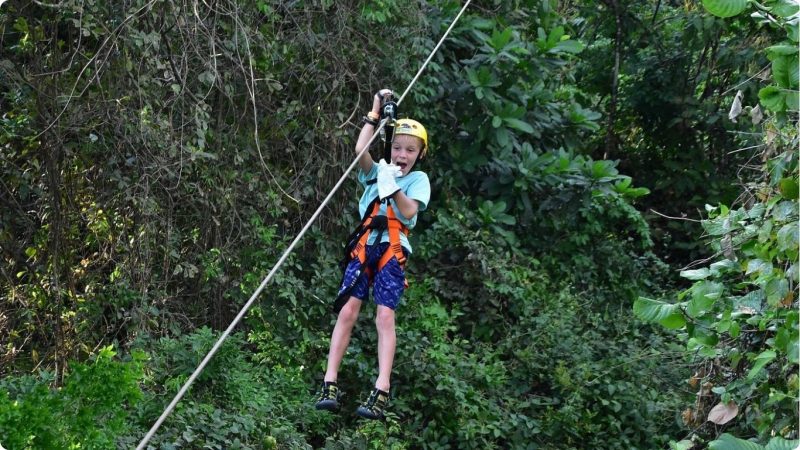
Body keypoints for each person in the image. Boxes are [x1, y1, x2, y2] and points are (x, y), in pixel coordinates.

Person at [315, 88, 431, 420]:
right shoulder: (375, 171)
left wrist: (392, 187)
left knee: (384, 316)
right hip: (365, 245)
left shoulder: (417, 180)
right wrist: (375, 110)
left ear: (420, 154)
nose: (402, 154)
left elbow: (408, 211)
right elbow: (359, 151)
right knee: (348, 309)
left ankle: (382, 386)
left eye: (410, 150)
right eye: (397, 148)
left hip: (392, 248)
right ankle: (330, 381)